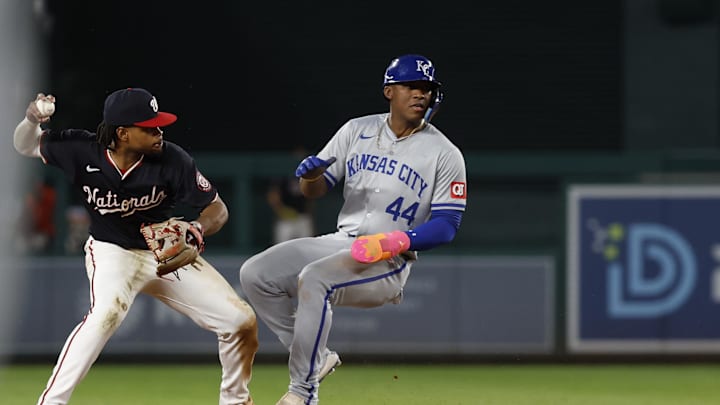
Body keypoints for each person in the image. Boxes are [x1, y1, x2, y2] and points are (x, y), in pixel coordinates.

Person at [240, 54, 467, 405]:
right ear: (389, 90)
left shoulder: (444, 153)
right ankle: (318, 358)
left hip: (389, 260)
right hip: (341, 241)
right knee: (255, 273)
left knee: (315, 278)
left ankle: (302, 394)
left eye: (427, 88)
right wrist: (310, 177)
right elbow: (315, 190)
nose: (421, 94)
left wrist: (398, 240)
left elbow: (447, 225)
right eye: (412, 86)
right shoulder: (355, 130)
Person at [13, 88, 258, 405]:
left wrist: (197, 227)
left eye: (159, 124)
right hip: (111, 250)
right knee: (105, 314)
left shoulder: (173, 159)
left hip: (163, 251)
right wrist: (32, 119)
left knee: (240, 321)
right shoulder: (81, 149)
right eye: (150, 126)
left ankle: (235, 401)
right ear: (123, 133)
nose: (159, 132)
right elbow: (25, 144)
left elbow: (218, 209)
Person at [266, 146, 315, 244]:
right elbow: (273, 195)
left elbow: (311, 198)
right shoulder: (283, 174)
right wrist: (282, 210)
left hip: (303, 217)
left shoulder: (308, 175)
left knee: (307, 248)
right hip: (285, 219)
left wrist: (310, 215)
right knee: (281, 249)